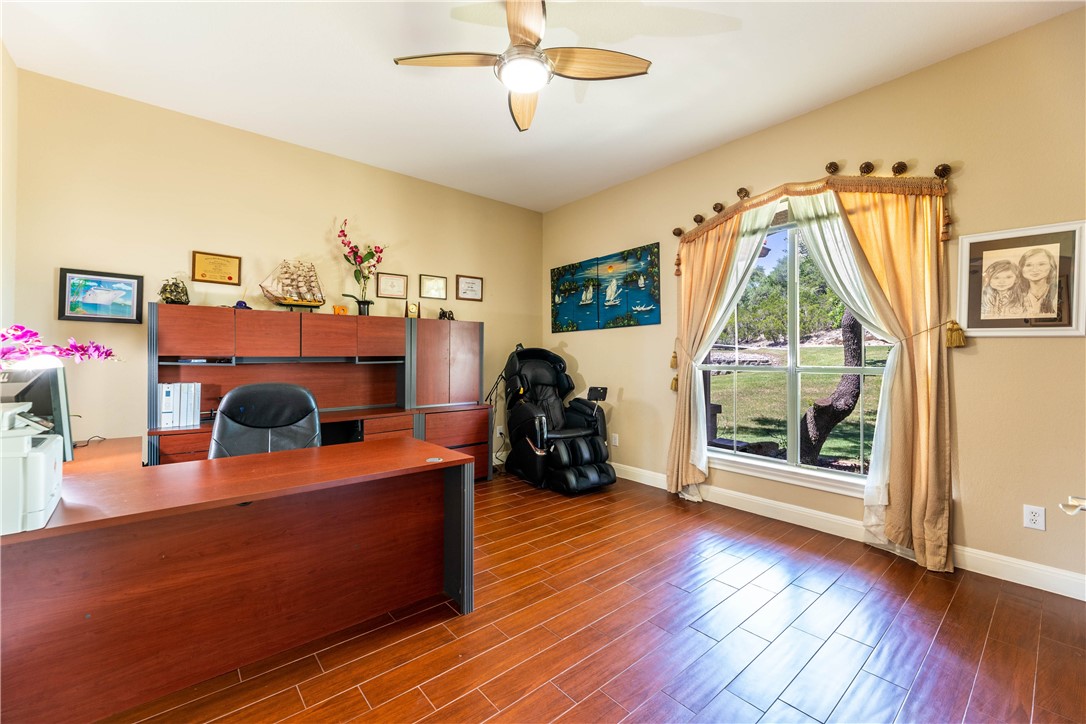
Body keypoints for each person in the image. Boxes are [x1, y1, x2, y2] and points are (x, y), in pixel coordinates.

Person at [1018, 247, 1059, 317]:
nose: (1034, 269)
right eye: (1028, 265)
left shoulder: (1057, 294)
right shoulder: (1016, 296)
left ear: (1051, 267)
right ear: (1021, 269)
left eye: (1041, 264)